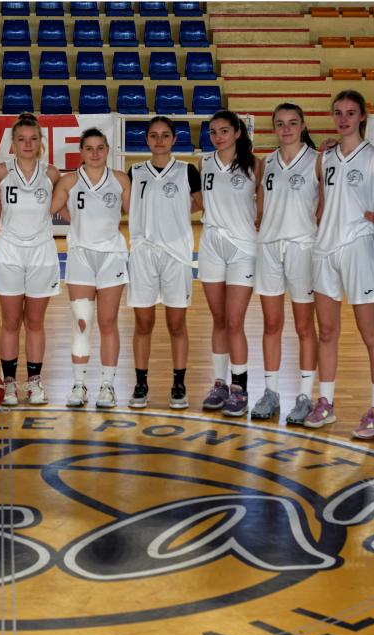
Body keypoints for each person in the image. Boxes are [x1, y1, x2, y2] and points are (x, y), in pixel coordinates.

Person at [305, 90, 374, 439]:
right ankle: (325, 403)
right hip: (324, 250)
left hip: (358, 248)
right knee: (326, 332)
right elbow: (322, 204)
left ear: (362, 117)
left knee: (369, 331)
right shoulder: (324, 157)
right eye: (338, 112)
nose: (343, 119)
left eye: (350, 113)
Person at [51, 128, 131, 408]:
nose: (95, 153)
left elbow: (133, 212)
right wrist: (72, 217)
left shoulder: (120, 179)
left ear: (107, 150)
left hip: (111, 257)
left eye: (100, 148)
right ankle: (79, 384)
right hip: (81, 257)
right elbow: (50, 208)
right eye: (89, 148)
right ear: (81, 152)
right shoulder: (69, 181)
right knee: (82, 321)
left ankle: (107, 386)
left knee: (108, 322)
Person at [127, 116, 203, 409]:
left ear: (174, 139)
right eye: (154, 135)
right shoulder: (135, 172)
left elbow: (200, 203)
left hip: (177, 254)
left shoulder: (187, 171)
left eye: (165, 135)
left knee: (176, 323)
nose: (159, 140)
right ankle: (140, 383)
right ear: (146, 139)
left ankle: (179, 384)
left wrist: (176, 215)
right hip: (143, 253)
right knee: (143, 323)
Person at [0, 113, 63, 406]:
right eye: (21, 139)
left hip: (42, 251)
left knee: (35, 322)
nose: (28, 144)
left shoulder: (52, 173)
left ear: (41, 142)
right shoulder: (0, 172)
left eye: (33, 139)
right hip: (9, 251)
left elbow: (64, 207)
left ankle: (34, 382)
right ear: (13, 143)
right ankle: (9, 383)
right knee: (10, 321)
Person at [253, 103, 321, 424]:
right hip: (269, 247)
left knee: (305, 327)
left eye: (293, 122)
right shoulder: (266, 162)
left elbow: (326, 205)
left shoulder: (318, 160)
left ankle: (305, 396)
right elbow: (261, 207)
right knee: (271, 325)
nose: (286, 128)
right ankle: (271, 393)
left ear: (303, 124)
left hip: (302, 248)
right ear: (273, 127)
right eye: (280, 123)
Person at [196, 110, 263, 416]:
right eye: (213, 132)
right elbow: (199, 201)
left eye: (224, 130)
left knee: (235, 321)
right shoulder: (204, 163)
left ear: (237, 132)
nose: (218, 136)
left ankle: (240, 387)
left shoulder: (256, 165)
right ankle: (220, 384)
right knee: (219, 319)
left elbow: (267, 202)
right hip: (211, 245)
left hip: (242, 248)